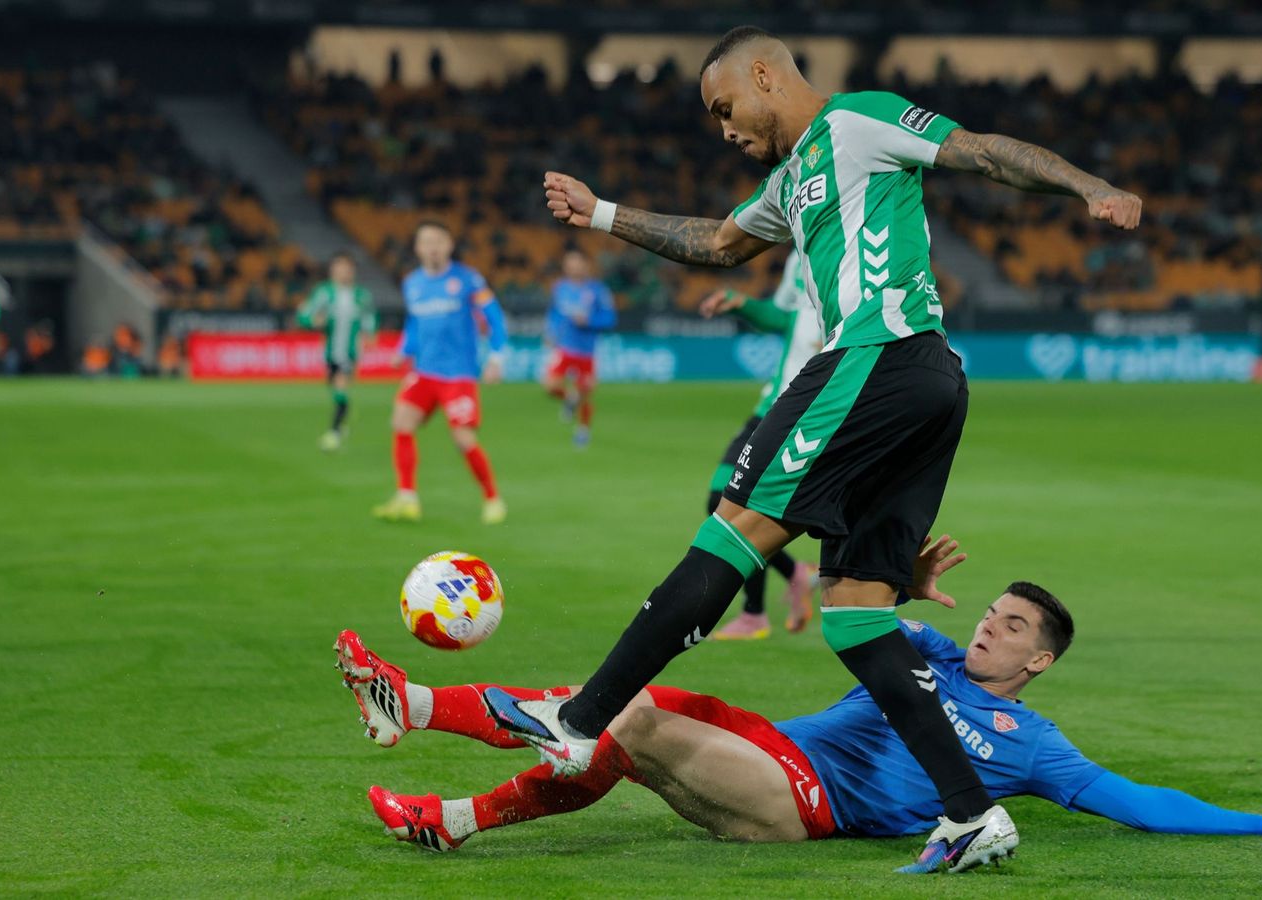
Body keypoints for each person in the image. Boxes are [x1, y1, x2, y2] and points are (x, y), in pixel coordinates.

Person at [485, 25, 1141, 873]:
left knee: (730, 533)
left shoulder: (856, 122)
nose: (723, 127)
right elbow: (718, 243)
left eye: (726, 106)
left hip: (876, 355)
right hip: (929, 384)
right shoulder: (791, 183)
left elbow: (980, 152)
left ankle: (577, 721)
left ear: (766, 75)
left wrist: (1088, 187)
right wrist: (602, 212)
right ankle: (973, 815)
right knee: (859, 614)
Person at [332, 540, 1262, 866]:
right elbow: (840, 602)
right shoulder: (928, 651)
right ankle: (453, 821)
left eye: (1014, 630)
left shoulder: (1030, 745)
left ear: (1039, 664)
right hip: (769, 744)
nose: (990, 628)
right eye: (991, 613)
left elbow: (1134, 799)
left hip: (801, 803)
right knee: (608, 706)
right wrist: (898, 576)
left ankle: (408, 704)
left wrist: (1261, 821)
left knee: (620, 722)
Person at [700, 247, 823, 640]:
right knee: (722, 499)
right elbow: (788, 319)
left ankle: (755, 613)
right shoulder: (801, 255)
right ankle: (792, 575)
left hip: (802, 411)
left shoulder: (860, 259)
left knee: (739, 505)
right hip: (773, 404)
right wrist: (742, 304)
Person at [373, 221, 508, 525]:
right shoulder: (413, 283)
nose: (432, 247)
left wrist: (496, 357)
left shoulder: (468, 280)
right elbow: (415, 324)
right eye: (426, 241)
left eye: (438, 240)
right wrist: (404, 349)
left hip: (457, 375)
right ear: (418, 248)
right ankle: (407, 498)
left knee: (462, 438)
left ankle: (492, 499)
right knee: (401, 422)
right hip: (424, 371)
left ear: (449, 245)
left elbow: (495, 318)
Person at [297, 251, 375, 451]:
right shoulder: (324, 292)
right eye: (338, 267)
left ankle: (334, 432)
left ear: (353, 271)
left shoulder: (361, 295)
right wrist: (313, 321)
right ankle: (342, 421)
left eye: (346, 268)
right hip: (330, 351)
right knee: (336, 388)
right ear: (332, 270)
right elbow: (304, 316)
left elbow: (369, 318)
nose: (343, 272)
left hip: (349, 351)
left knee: (340, 386)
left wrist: (369, 333)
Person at [542, 248, 616, 448]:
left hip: (587, 351)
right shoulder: (560, 288)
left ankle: (583, 431)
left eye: (576, 263)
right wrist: (550, 333)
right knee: (549, 386)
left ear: (585, 265)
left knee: (586, 392)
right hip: (565, 347)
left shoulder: (598, 290)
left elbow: (610, 318)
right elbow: (554, 314)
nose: (572, 267)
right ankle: (570, 399)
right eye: (569, 263)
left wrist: (589, 320)